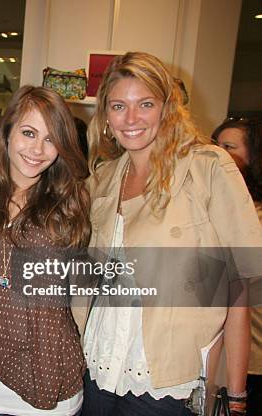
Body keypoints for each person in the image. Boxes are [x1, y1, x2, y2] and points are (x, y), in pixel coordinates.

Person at [77, 51, 261, 416]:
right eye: (118, 106)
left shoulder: (206, 167)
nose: (131, 119)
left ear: (166, 107)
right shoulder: (102, 178)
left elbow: (241, 285)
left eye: (145, 103)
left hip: (167, 384)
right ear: (106, 115)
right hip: (96, 371)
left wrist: (236, 396)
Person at [0, 86, 90, 415]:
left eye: (51, 138)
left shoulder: (73, 198)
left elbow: (81, 293)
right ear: (7, 132)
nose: (38, 149)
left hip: (48, 369)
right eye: (29, 133)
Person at [213, 117, 262, 416]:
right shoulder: (219, 209)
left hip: (252, 362)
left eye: (229, 147)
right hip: (221, 359)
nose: (219, 155)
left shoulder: (254, 217)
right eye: (215, 146)